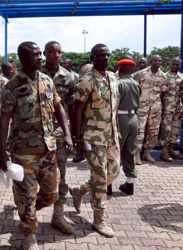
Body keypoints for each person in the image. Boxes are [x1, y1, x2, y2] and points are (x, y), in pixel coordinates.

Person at [0, 41, 72, 249]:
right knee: (26, 194)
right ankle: (29, 234)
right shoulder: (12, 86)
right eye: (35, 55)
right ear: (23, 58)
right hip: (23, 152)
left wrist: (67, 134)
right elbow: (4, 119)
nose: (40, 58)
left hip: (48, 149)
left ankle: (27, 210)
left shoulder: (47, 80)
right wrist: (2, 151)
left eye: (41, 54)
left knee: (51, 194)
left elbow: (59, 108)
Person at [70, 43, 120, 238]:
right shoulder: (87, 81)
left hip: (111, 135)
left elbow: (113, 106)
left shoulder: (114, 78)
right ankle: (99, 218)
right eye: (101, 55)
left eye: (108, 55)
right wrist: (77, 139)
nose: (106, 58)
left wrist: (117, 128)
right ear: (92, 58)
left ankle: (80, 190)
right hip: (93, 135)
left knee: (114, 172)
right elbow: (78, 111)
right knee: (100, 176)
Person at [40, 41, 75, 234]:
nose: (56, 55)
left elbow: (70, 106)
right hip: (36, 134)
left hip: (59, 134)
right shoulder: (34, 73)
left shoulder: (68, 77)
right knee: (33, 176)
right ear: (45, 53)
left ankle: (58, 215)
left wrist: (72, 134)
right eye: (52, 51)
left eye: (59, 52)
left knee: (61, 175)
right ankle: (29, 217)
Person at [114, 58, 141, 195]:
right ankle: (130, 184)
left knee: (114, 151)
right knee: (130, 151)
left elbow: (115, 105)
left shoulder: (118, 84)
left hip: (121, 118)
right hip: (133, 119)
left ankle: (108, 185)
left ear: (121, 69)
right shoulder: (136, 84)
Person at [134, 54, 166, 164]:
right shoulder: (141, 74)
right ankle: (137, 154)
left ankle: (147, 152)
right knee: (139, 131)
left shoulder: (163, 76)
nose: (157, 62)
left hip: (155, 108)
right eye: (155, 60)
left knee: (154, 132)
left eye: (159, 60)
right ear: (151, 62)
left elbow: (162, 92)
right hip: (142, 107)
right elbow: (135, 91)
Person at [160, 57, 183, 162]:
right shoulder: (164, 77)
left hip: (178, 109)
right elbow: (160, 93)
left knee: (175, 130)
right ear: (170, 64)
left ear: (180, 65)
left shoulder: (181, 77)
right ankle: (164, 152)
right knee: (166, 130)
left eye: (177, 64)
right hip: (167, 108)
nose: (175, 66)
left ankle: (171, 149)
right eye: (174, 64)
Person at [0, 62, 13, 127]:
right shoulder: (5, 81)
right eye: (9, 69)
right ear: (4, 70)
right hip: (3, 111)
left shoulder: (1, 79)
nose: (11, 71)